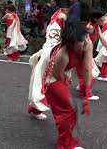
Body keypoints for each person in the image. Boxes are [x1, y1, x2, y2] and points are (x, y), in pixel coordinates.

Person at [29, 21, 92, 149]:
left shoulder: (87, 42)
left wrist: (86, 95)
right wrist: (65, 85)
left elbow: (86, 69)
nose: (84, 43)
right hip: (49, 72)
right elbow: (58, 76)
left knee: (57, 98)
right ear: (70, 43)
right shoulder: (62, 55)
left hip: (60, 70)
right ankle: (65, 144)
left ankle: (34, 109)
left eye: (85, 38)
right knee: (67, 108)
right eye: (80, 41)